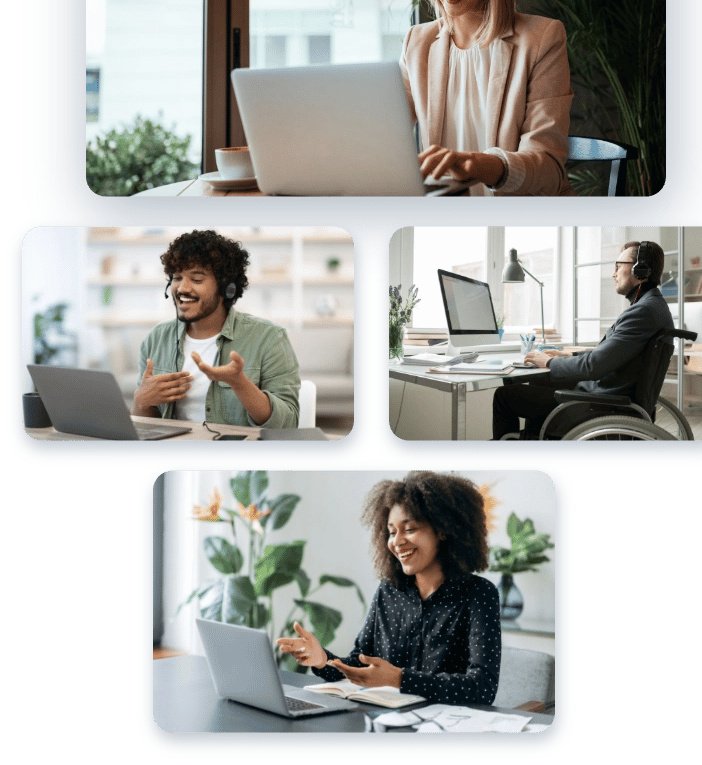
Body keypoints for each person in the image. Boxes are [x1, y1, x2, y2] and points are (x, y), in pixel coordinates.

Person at [277, 471, 501, 705]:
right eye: (392, 532)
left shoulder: (478, 594)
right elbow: (360, 664)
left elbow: (482, 688)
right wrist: (322, 659)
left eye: (410, 529)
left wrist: (400, 679)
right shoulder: (389, 590)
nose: (397, 541)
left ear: (443, 530)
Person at [400, 0, 574, 197]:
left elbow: (549, 169)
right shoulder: (418, 43)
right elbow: (381, 137)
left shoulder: (542, 38)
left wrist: (482, 165)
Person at [492, 240, 674, 439]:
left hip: (600, 405)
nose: (614, 274)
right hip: (608, 397)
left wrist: (550, 361)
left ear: (641, 271)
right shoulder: (652, 307)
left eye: (618, 266)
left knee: (504, 397)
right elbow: (613, 355)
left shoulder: (643, 311)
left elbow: (594, 366)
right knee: (538, 380)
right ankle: (534, 440)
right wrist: (568, 355)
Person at [132, 230, 300, 429]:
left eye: (196, 280)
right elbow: (145, 429)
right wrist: (141, 400)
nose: (182, 288)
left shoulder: (269, 338)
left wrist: (240, 384)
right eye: (177, 278)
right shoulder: (157, 338)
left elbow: (288, 425)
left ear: (226, 288)